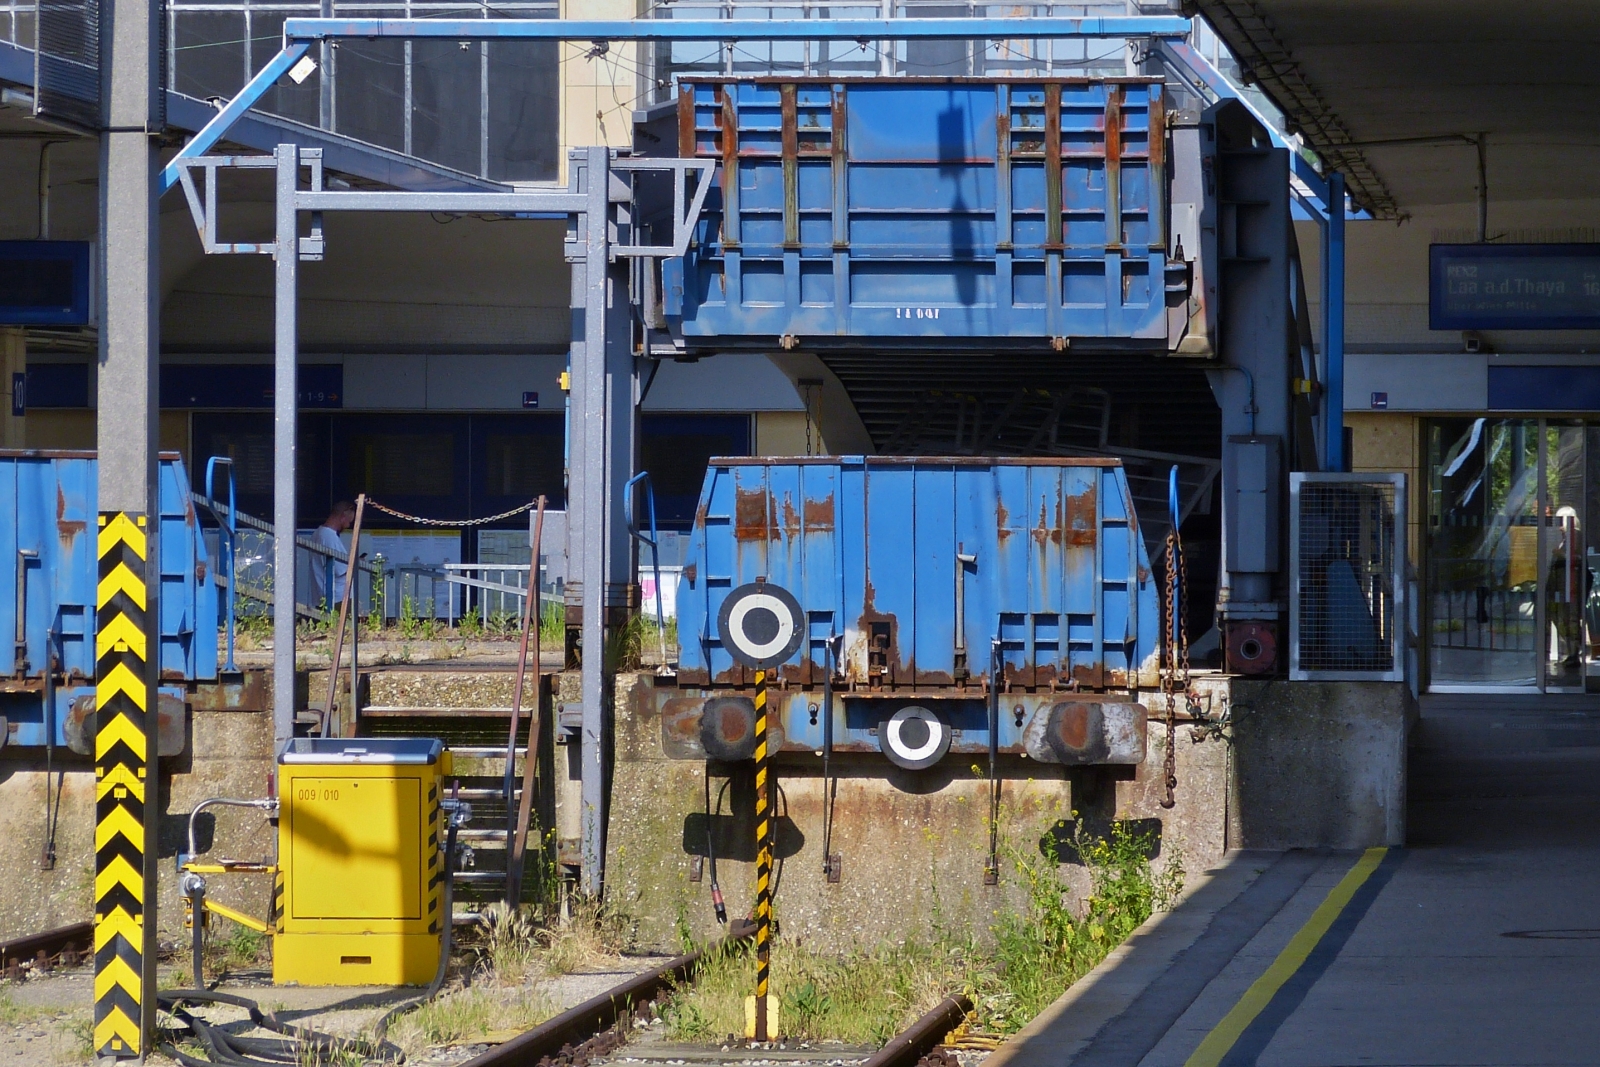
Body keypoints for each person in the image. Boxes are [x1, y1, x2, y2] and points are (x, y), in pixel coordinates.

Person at [310, 501, 356, 607]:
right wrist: (355, 562)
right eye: (349, 522)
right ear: (343, 516)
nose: (348, 526)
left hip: (322, 596)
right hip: (338, 597)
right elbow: (341, 569)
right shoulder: (329, 536)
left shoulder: (318, 533)